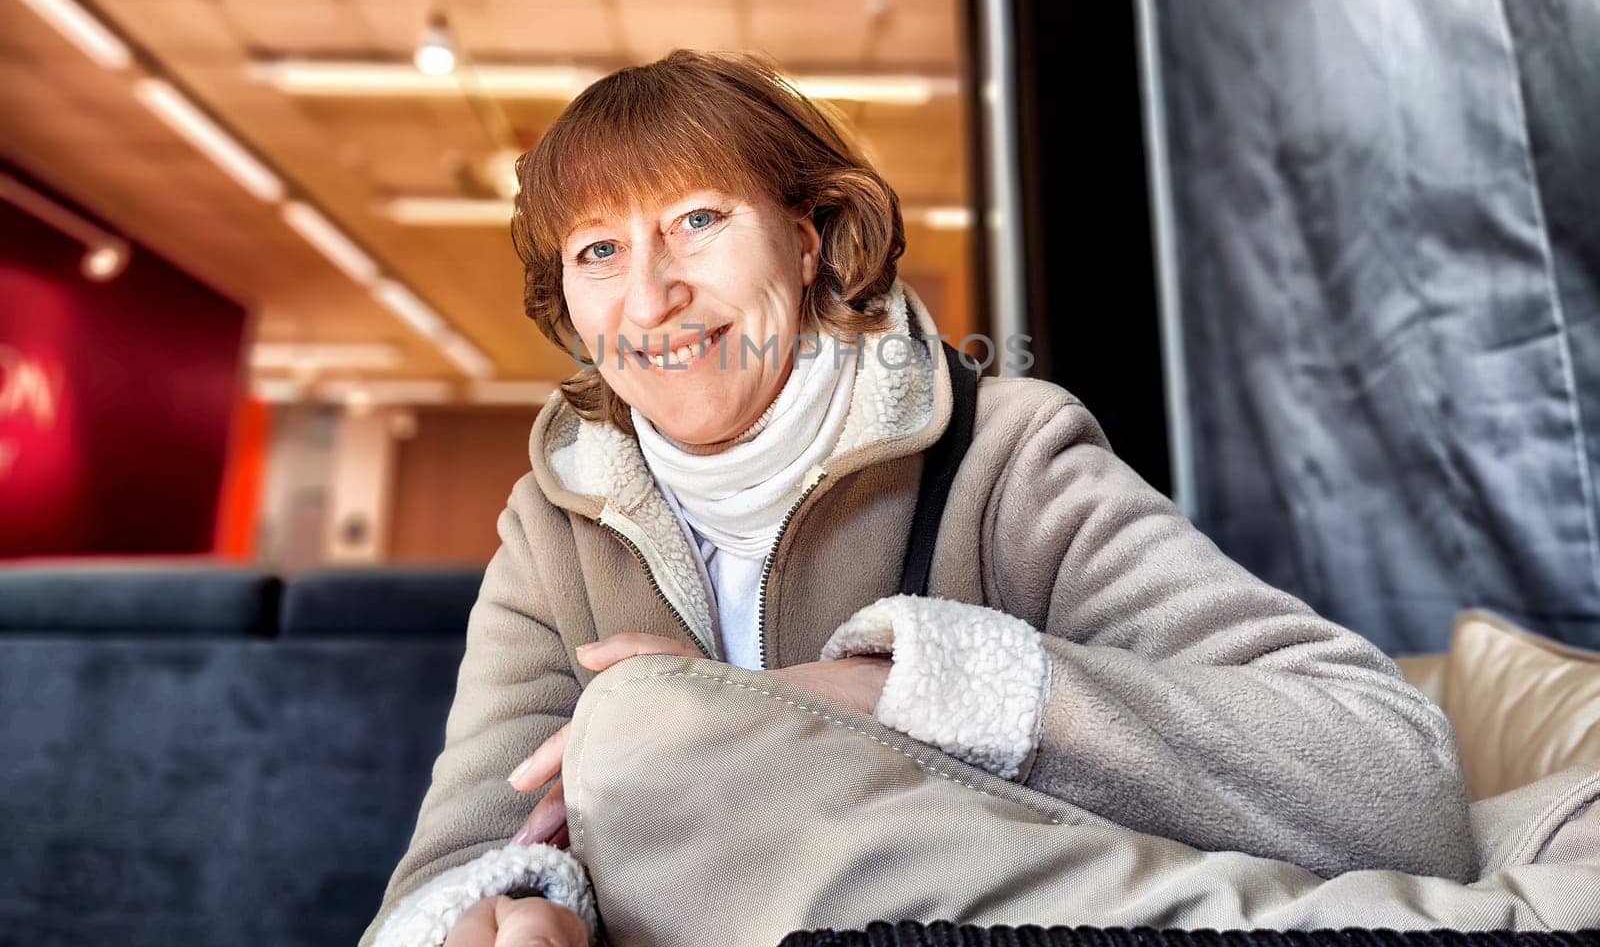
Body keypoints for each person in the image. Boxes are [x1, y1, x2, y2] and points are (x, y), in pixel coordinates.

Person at [359, 50, 1473, 947]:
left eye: (697, 220)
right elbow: (461, 856)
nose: (651, 293)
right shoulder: (553, 525)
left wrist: (873, 688)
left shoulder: (1003, 456)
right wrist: (516, 912)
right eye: (599, 251)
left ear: (805, 242)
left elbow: (1389, 779)